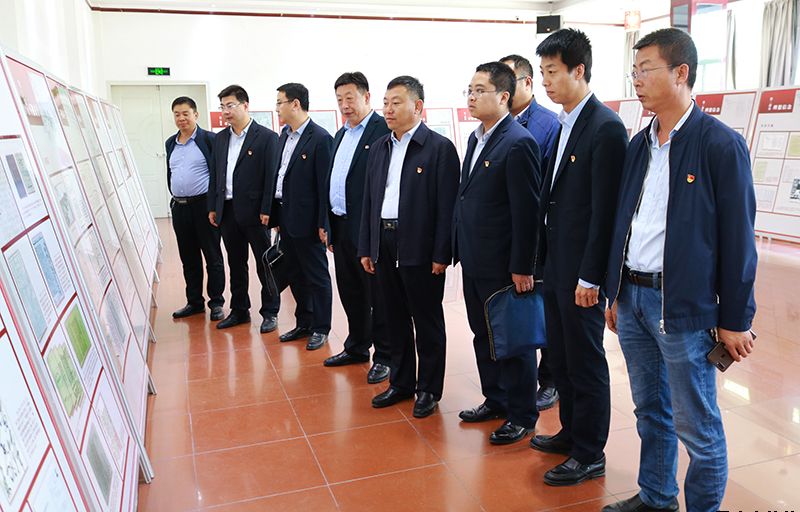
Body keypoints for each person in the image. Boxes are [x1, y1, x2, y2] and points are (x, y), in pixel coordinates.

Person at [603, 28, 757, 512]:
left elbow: (739, 240)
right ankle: (657, 496)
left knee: (698, 427)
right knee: (650, 411)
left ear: (681, 73)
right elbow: (624, 222)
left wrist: (736, 319)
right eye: (633, 71)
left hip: (683, 307)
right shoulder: (639, 145)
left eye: (645, 70)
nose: (636, 80)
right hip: (633, 299)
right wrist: (614, 291)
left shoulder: (719, 145)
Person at [531, 28, 628, 486]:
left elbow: (605, 212)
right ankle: (570, 432)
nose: (546, 82)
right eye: (543, 73)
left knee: (586, 361)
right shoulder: (564, 122)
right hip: (557, 264)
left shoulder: (605, 127)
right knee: (562, 357)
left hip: (582, 273)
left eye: (553, 72)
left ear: (579, 70)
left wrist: (592, 276)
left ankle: (590, 453)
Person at [358, 76, 459, 418]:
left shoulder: (439, 148)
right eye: (385, 103)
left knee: (426, 320)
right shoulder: (380, 147)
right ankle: (401, 383)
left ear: (417, 106)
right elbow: (369, 201)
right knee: (393, 316)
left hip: (420, 246)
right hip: (383, 241)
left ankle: (428, 388)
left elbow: (447, 208)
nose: (388, 109)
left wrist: (441, 254)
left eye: (396, 102)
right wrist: (367, 246)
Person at [453, 62, 542, 445]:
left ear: (504, 96)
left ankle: (522, 414)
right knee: (482, 335)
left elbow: (528, 212)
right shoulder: (477, 139)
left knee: (513, 340)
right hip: (475, 258)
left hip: (504, 264)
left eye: (480, 90)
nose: (471, 97)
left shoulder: (518, 142)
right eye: (469, 90)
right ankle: (496, 399)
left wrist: (523, 266)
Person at [500, 53, 561, 411]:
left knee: (542, 308)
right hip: (506, 236)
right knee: (517, 311)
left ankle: (549, 379)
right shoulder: (496, 125)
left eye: (509, 80)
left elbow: (546, 189)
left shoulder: (547, 125)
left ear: (527, 82)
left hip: (540, 236)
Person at [323, 72, 392, 383]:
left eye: (350, 98)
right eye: (339, 99)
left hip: (367, 228)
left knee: (378, 295)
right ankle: (357, 346)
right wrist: (327, 223)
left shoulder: (382, 130)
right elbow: (332, 181)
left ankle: (386, 355)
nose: (344, 105)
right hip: (340, 225)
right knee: (350, 291)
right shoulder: (341, 134)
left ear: (366, 97)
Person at [207, 84, 280, 333]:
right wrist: (213, 206)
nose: (226, 111)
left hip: (256, 212)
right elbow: (215, 174)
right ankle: (240, 310)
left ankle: (270, 311)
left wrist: (268, 209)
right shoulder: (220, 139)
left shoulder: (267, 137)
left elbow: (271, 176)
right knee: (236, 263)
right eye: (222, 107)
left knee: (265, 263)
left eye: (230, 105)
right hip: (227, 211)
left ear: (245, 105)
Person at [270, 83, 334, 351]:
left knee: (316, 276)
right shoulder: (284, 136)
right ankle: (304, 322)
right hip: (285, 216)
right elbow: (279, 176)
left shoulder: (320, 138)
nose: (277, 108)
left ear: (295, 104)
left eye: (280, 102)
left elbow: (324, 186)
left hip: (308, 221)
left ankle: (321, 327)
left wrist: (323, 223)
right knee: (295, 274)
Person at [166, 96, 225, 322]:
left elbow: (218, 175)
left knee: (212, 256)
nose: (181, 118)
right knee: (188, 257)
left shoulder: (209, 140)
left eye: (185, 114)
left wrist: (215, 206)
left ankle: (216, 302)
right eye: (177, 114)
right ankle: (194, 302)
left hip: (204, 207)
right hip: (180, 208)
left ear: (196, 115)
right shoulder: (171, 143)